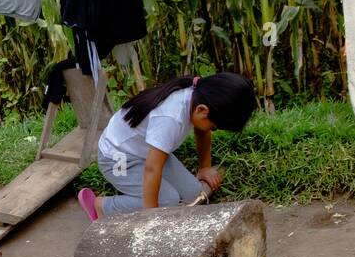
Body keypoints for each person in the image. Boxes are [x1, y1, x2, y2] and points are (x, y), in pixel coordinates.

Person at [78, 72, 256, 219]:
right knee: (167, 201)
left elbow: (202, 131)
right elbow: (151, 169)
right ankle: (102, 206)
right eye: (214, 126)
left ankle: (152, 202)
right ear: (202, 110)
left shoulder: (198, 94)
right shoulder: (169, 118)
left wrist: (205, 168)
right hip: (117, 159)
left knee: (193, 192)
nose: (212, 129)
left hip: (146, 152)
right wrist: (152, 217)